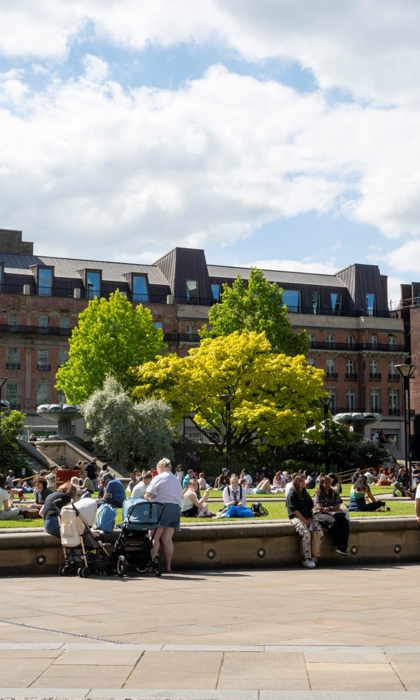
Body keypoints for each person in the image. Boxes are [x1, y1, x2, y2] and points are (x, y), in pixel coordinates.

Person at [145, 457, 182, 574]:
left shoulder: (159, 477)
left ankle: (151, 565)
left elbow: (149, 494)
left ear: (160, 467)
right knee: (167, 539)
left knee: (154, 537)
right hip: (176, 509)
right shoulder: (176, 479)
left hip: (162, 507)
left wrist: (145, 496)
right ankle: (168, 566)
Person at [286, 474, 323, 568]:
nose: (304, 483)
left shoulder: (305, 494)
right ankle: (305, 558)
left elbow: (310, 508)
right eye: (301, 481)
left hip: (308, 517)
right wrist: (305, 521)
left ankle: (314, 555)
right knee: (306, 534)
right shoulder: (292, 493)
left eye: (304, 481)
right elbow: (294, 510)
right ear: (296, 482)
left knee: (318, 532)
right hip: (297, 517)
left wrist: (313, 519)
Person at [314, 476, 349, 556]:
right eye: (325, 483)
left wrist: (330, 508)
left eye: (329, 483)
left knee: (344, 522)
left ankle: (344, 546)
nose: (327, 485)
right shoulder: (318, 493)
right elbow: (319, 507)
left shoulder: (333, 493)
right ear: (321, 484)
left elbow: (338, 505)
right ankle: (339, 545)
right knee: (333, 522)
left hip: (333, 512)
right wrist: (326, 509)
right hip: (320, 514)